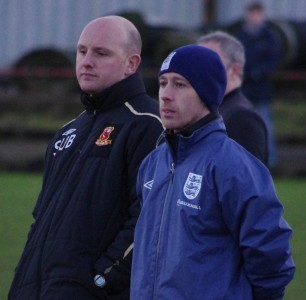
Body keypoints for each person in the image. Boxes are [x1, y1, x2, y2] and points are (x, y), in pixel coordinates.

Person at [9, 16, 163, 300]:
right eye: (82, 51)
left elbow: (150, 218)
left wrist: (103, 279)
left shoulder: (148, 124)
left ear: (131, 63)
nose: (87, 61)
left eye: (101, 53)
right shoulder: (67, 132)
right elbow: (40, 221)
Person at [130, 45, 295, 299]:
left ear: (206, 93)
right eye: (163, 83)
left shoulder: (232, 165)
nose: (165, 95)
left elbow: (270, 252)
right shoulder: (152, 164)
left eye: (180, 85)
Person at [197, 31, 268, 165]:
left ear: (234, 70)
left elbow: (248, 179)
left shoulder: (241, 117)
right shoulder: (212, 111)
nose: (199, 69)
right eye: (196, 62)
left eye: (210, 62)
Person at [235, 1, 281, 167]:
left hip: (262, 90)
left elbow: (274, 60)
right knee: (241, 123)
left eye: (258, 14)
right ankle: (243, 157)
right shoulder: (240, 37)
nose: (255, 18)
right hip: (245, 90)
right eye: (252, 14)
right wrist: (246, 74)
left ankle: (271, 160)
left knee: (265, 123)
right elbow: (235, 59)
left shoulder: (269, 37)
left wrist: (258, 73)